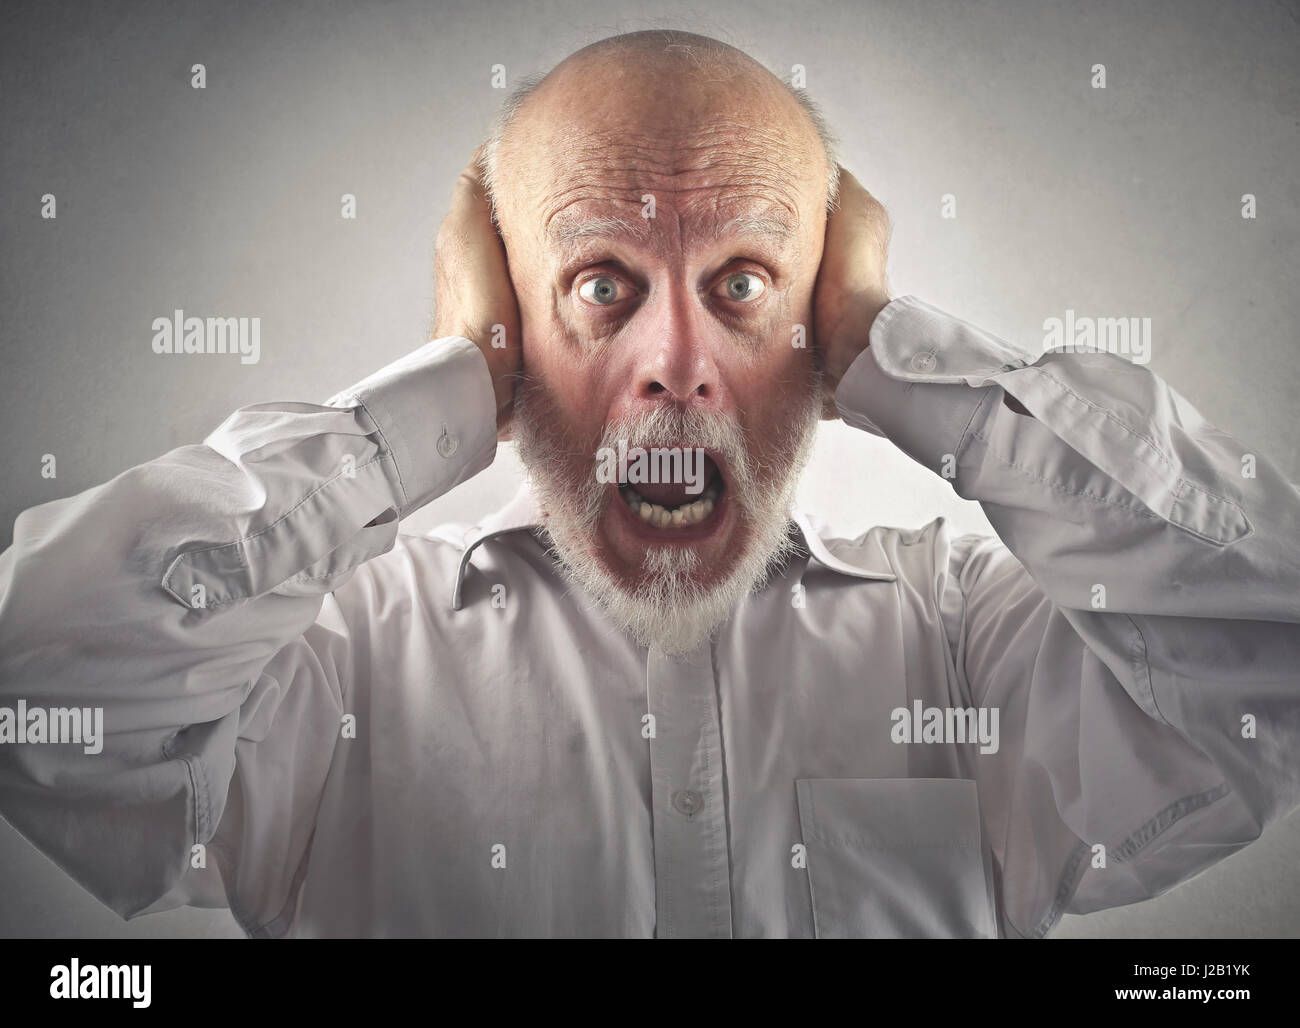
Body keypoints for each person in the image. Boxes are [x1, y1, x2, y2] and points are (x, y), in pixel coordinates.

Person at [0, 30, 1296, 939]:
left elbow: (1271, 657)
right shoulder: (336, 661)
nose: (676, 363)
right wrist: (449, 390)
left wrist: (898, 357)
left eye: (742, 285)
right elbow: (36, 686)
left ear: (820, 333)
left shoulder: (962, 642)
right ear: (510, 318)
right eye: (600, 286)